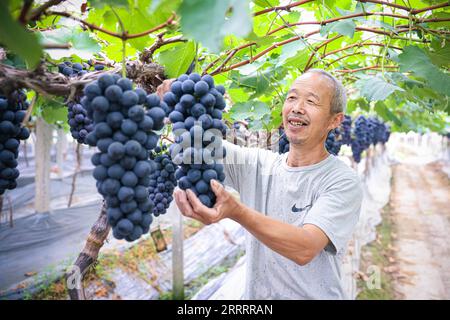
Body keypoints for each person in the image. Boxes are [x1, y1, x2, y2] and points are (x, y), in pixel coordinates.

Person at [167, 69, 363, 299]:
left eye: (311, 101)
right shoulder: (260, 164)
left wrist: (236, 211)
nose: (297, 107)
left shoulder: (342, 181)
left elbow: (305, 248)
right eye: (291, 98)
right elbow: (200, 142)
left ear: (335, 120)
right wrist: (177, 97)